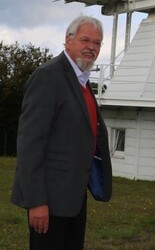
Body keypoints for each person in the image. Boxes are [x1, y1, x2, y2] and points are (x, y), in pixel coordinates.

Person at [11, 16, 112, 250]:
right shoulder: (49, 77)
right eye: (85, 40)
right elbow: (30, 145)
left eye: (97, 43)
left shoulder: (82, 81)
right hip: (49, 200)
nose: (91, 47)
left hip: (73, 198)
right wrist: (36, 202)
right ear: (68, 41)